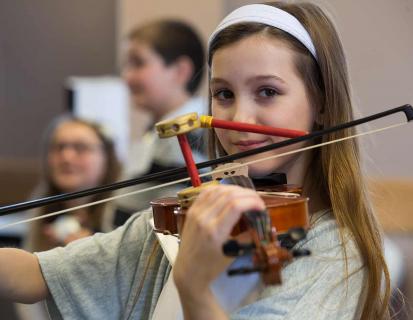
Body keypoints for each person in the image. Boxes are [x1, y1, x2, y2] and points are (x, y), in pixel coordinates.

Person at [0, 2, 391, 319]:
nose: (238, 120)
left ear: (321, 104)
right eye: (223, 94)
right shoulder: (184, 217)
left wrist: (195, 289)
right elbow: (36, 273)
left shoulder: (336, 255)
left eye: (268, 92)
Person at [15, 115, 121, 320]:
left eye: (80, 148)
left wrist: (94, 259)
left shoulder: (122, 209)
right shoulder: (39, 206)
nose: (67, 157)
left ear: (106, 156)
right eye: (58, 147)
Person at [116, 19, 208, 217]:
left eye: (138, 63)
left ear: (180, 71)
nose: (127, 76)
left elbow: (172, 223)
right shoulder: (158, 133)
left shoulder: (189, 138)